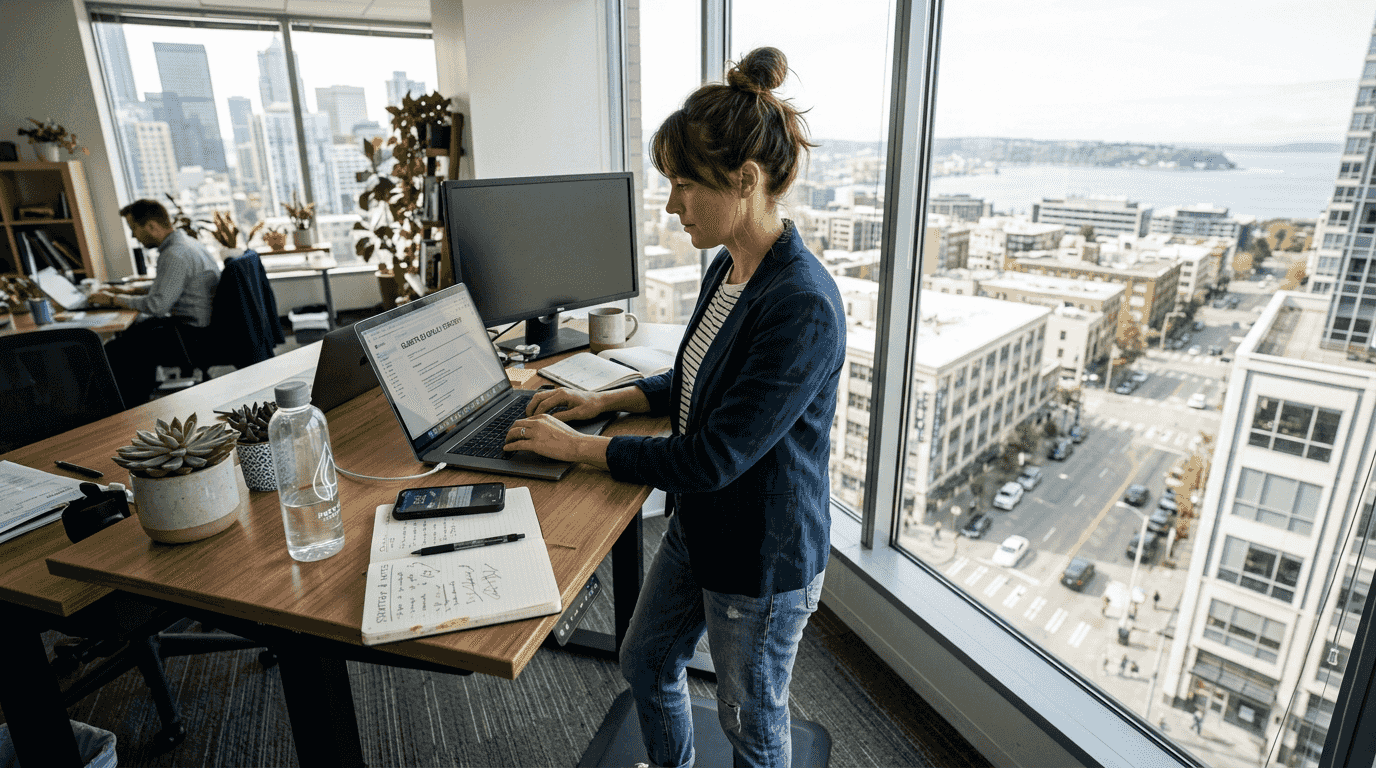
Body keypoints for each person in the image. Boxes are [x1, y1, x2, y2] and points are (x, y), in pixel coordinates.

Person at [503, 47, 844, 768]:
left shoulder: (802, 305)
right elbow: (692, 378)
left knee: (751, 720)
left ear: (746, 181)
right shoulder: (729, 264)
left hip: (761, 554)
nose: (670, 204)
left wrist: (580, 447)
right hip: (703, 524)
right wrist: (601, 398)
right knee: (648, 662)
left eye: (685, 184)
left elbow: (714, 454)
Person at [89, 199, 221, 405]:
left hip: (191, 337)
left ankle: (129, 406)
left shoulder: (175, 254)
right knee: (132, 336)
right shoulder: (185, 243)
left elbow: (157, 306)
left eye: (134, 229)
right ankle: (140, 395)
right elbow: (170, 286)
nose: (133, 236)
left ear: (151, 226)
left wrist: (113, 299)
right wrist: (130, 290)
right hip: (198, 330)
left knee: (115, 351)